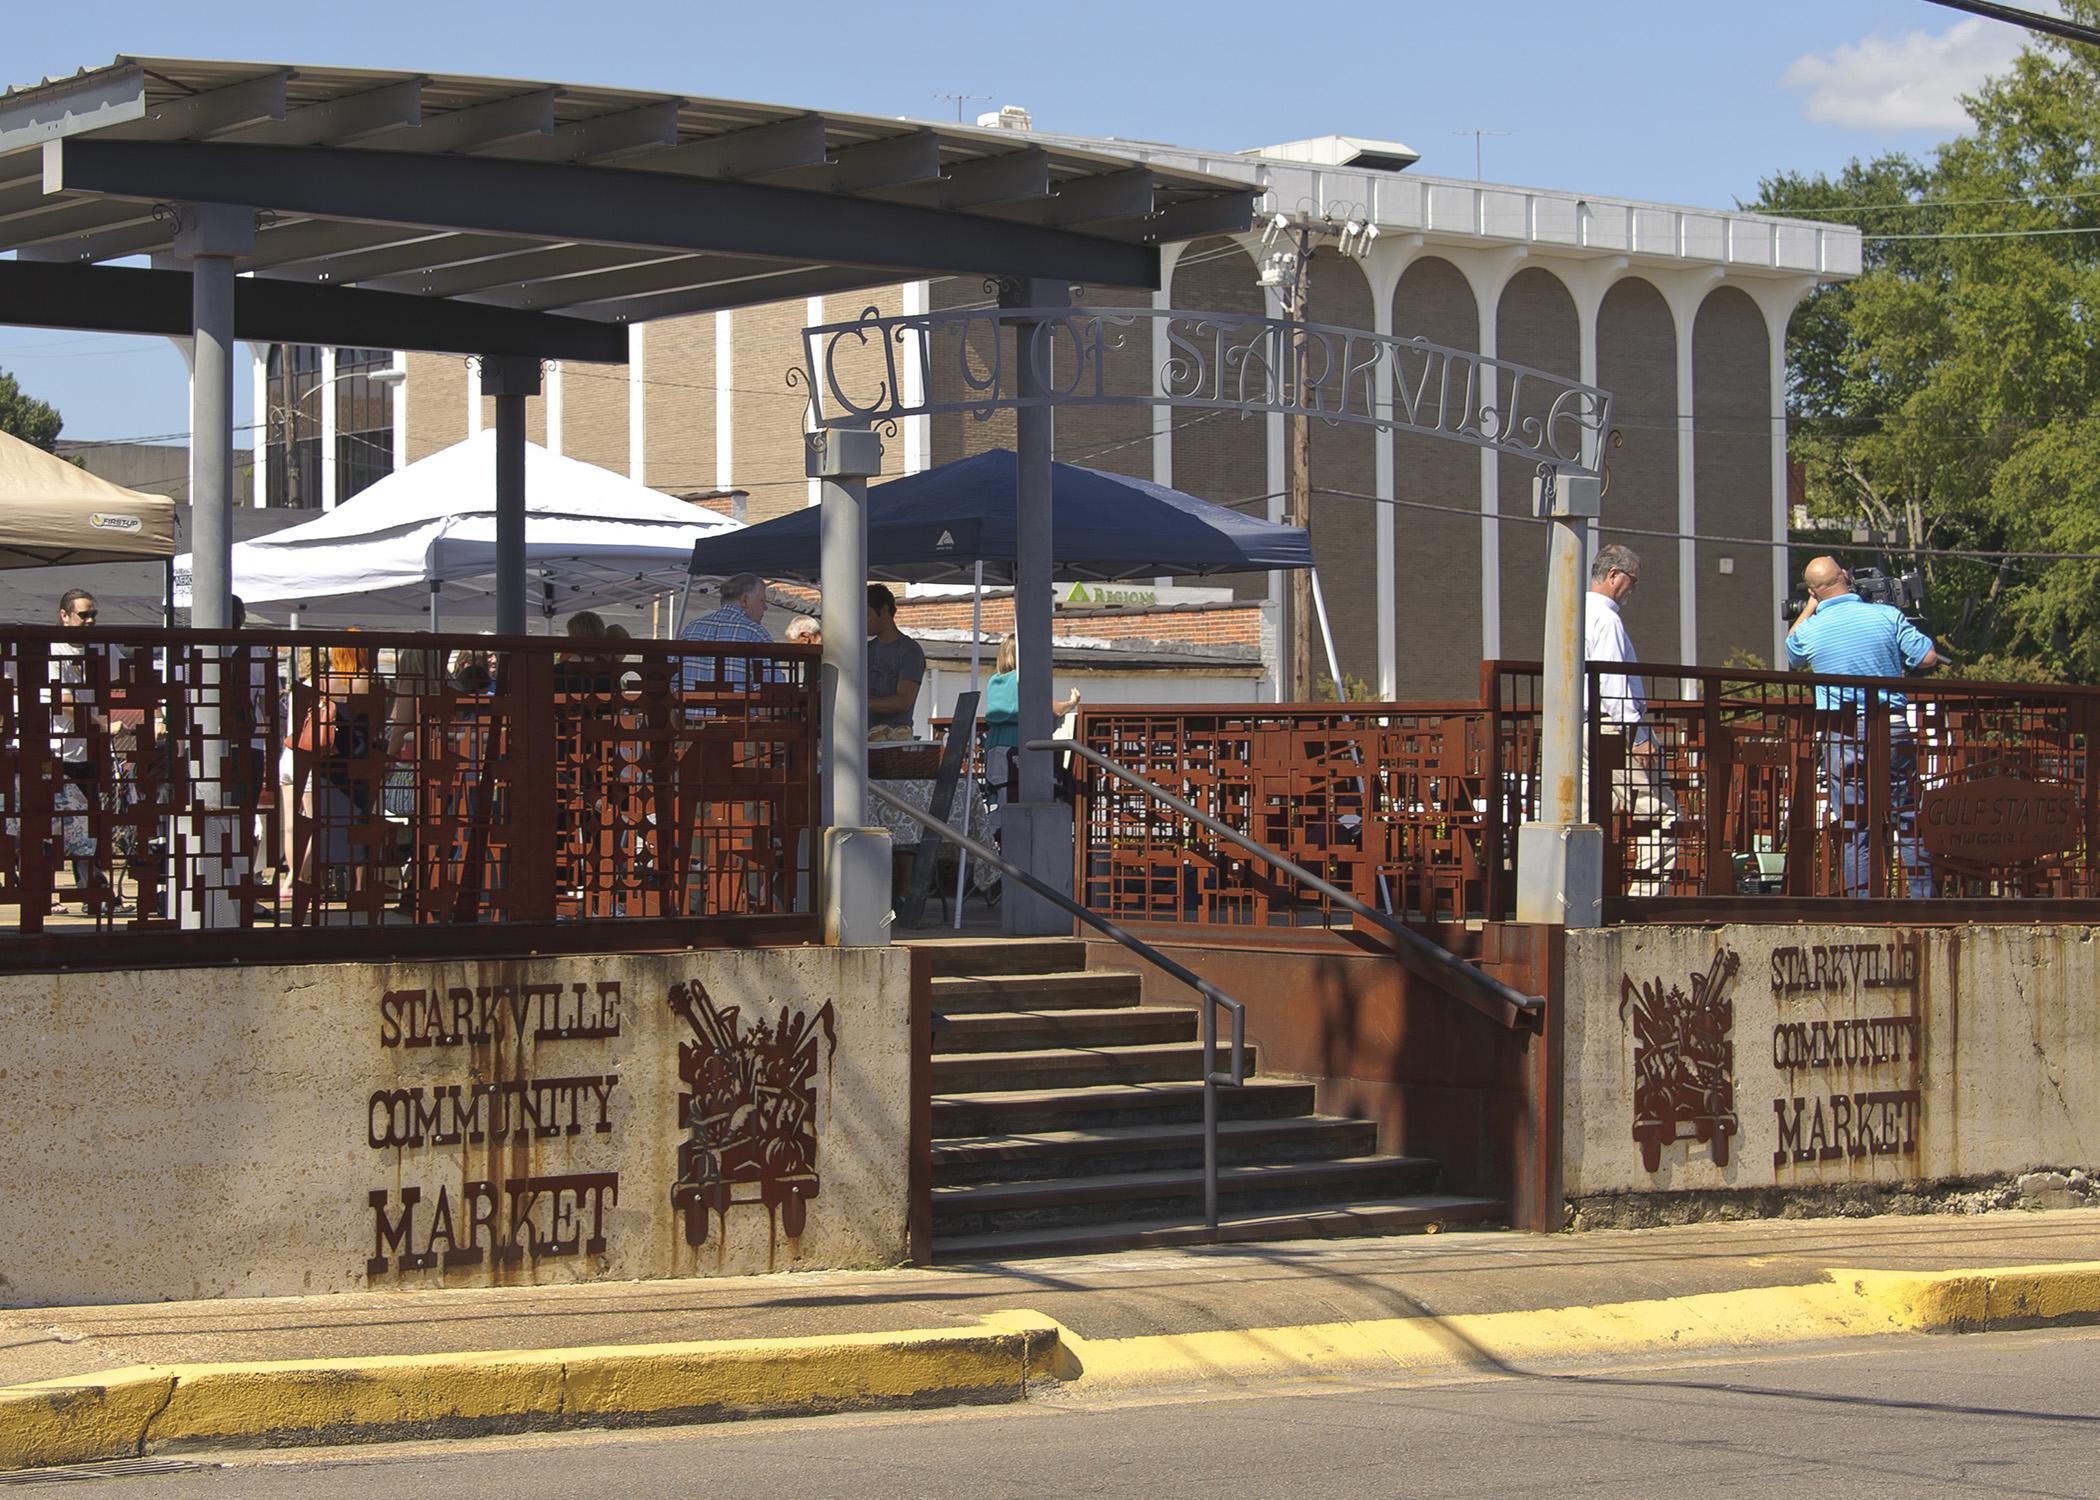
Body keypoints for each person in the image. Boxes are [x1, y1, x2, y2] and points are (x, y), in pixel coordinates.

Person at [1786, 555, 1940, 899]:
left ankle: (1862, 903)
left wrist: (1810, 608)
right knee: (1907, 818)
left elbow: (1792, 654)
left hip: (1841, 735)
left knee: (1856, 825)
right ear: (1845, 576)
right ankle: (1922, 902)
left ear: (1814, 591)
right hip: (1891, 727)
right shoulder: (1886, 616)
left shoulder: (1811, 629)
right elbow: (1927, 658)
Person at [1584, 544, 1677, 896]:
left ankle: (1582, 899)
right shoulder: (1606, 618)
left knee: (1589, 817)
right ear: (1613, 575)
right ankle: (1644, 900)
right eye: (1632, 581)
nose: (1632, 590)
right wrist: (1638, 735)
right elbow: (1613, 681)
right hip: (1613, 726)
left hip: (1580, 726)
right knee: (1660, 813)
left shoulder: (1572, 612)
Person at [981, 634, 1079, 803]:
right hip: (1019, 745)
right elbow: (1055, 709)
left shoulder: (994, 681)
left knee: (1000, 800)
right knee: (1021, 798)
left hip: (994, 744)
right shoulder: (1025, 679)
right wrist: (1072, 702)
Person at [679, 573, 771, 690]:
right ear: (745, 600)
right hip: (738, 707)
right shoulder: (756, 633)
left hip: (688, 707)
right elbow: (770, 691)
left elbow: (671, 679)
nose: (765, 607)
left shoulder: (691, 629)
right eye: (762, 601)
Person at [865, 584, 925, 736]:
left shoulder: (910, 651)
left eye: (866, 614)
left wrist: (857, 704)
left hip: (894, 739)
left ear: (884, 611)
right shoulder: (864, 649)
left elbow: (903, 701)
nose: (861, 621)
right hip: (862, 738)